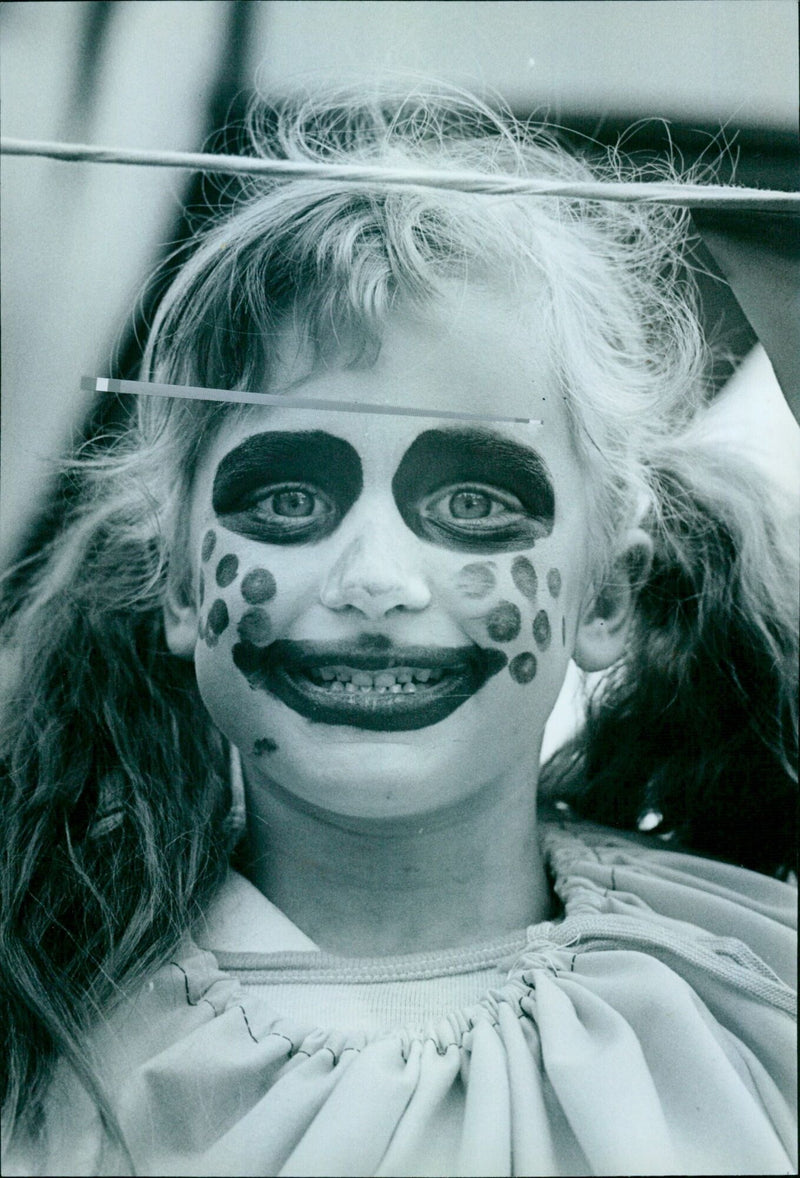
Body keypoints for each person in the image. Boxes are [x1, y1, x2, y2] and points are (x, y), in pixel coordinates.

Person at [1, 90, 796, 1177]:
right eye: (285, 499)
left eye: (471, 502)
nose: (374, 582)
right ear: (180, 584)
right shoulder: (46, 1043)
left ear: (606, 592)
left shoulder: (758, 988)